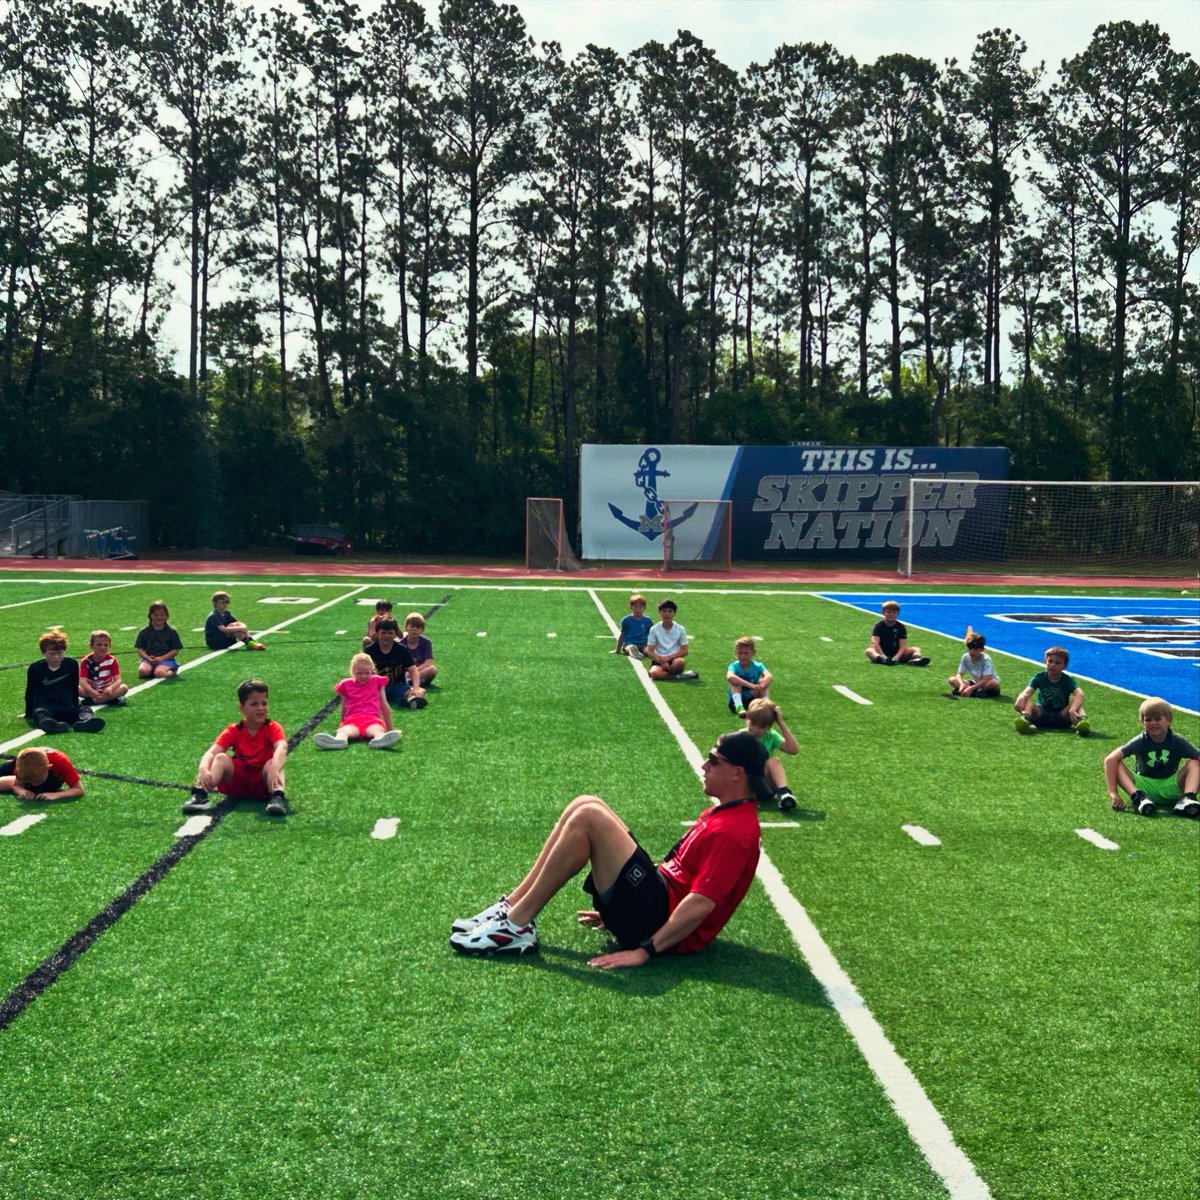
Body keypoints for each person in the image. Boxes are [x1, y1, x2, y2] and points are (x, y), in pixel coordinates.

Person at [449, 729, 771, 964]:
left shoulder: (735, 831)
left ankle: (515, 925)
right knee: (586, 803)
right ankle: (513, 908)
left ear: (737, 773)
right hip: (650, 905)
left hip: (654, 922)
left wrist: (645, 950)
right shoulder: (729, 812)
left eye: (714, 760)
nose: (704, 765)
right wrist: (624, 903)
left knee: (589, 816)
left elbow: (701, 905)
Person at [184, 678, 288, 816]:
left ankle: (277, 798)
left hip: (264, 783)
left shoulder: (272, 727)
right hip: (238, 783)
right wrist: (203, 769)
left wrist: (275, 768)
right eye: (254, 704)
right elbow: (211, 752)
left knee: (274, 763)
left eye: (264, 703)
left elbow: (282, 747)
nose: (261, 708)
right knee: (221, 758)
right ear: (242, 708)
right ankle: (200, 795)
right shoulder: (234, 730)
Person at [1104, 697, 1199, 817]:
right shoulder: (1140, 741)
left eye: (1158, 719)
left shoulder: (1177, 740)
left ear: (1169, 720)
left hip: (1171, 786)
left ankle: (1186, 799)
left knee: (1195, 763)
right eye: (1148, 719)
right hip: (1143, 787)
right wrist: (1113, 793)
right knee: (1115, 762)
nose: (1153, 723)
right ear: (1143, 722)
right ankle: (1138, 798)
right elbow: (1110, 760)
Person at [314, 653, 402, 750]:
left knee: (377, 730)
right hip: (352, 720)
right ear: (352, 672)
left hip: (372, 719)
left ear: (372, 671)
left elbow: (384, 705)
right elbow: (344, 706)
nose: (363, 676)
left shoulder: (377, 681)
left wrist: (390, 729)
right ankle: (339, 741)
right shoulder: (346, 684)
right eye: (359, 673)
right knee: (345, 731)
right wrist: (343, 723)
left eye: (367, 673)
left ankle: (380, 740)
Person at [24, 628, 104, 733]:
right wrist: (29, 712)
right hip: (46, 706)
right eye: (52, 654)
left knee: (85, 710)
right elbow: (30, 691)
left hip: (66, 705)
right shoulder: (35, 668)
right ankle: (51, 725)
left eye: (60, 653)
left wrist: (76, 705)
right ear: (44, 653)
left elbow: (73, 687)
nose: (56, 657)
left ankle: (86, 722)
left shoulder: (71, 664)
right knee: (39, 713)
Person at [1014, 646, 1089, 735]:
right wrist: (1021, 698)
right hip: (1041, 714)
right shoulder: (1039, 677)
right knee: (1028, 703)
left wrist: (1072, 710)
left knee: (1077, 704)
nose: (1053, 665)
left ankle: (1082, 723)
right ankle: (1025, 720)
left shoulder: (1067, 680)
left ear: (1064, 666)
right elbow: (1027, 692)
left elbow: (1079, 693)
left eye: (1057, 663)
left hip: (1061, 716)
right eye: (1050, 661)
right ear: (1045, 661)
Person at [744, 699, 799, 811]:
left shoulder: (771, 736)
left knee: (773, 761)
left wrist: (781, 723)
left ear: (769, 727)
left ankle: (783, 793)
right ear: (747, 719)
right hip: (745, 785)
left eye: (762, 727)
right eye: (754, 724)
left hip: (765, 785)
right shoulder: (740, 736)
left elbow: (793, 750)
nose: (756, 730)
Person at [367, 617, 424, 709]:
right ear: (377, 633)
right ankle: (403, 700)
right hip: (376, 688)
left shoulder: (402, 650)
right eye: (383, 633)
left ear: (395, 634)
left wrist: (416, 688)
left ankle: (410, 700)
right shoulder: (369, 650)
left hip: (397, 687)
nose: (387, 636)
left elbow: (414, 671)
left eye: (390, 633)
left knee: (420, 691)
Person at [0, 746, 85, 801]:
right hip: (13, 765)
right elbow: (16, 785)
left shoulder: (60, 762)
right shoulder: (22, 765)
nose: (34, 784)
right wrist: (22, 791)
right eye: (29, 781)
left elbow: (79, 789)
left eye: (37, 781)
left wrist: (56, 795)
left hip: (52, 778)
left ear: (48, 768)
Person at [864, 600, 929, 666]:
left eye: (894, 612)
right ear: (883, 613)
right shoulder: (878, 626)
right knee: (869, 650)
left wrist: (897, 657)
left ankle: (916, 659)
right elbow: (875, 643)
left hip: (897, 653)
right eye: (888, 612)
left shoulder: (900, 627)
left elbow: (902, 646)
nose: (891, 614)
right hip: (882, 652)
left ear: (898, 613)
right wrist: (883, 655)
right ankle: (883, 659)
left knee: (916, 649)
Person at [646, 599, 697, 681]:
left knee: (680, 663)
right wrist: (661, 661)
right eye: (664, 611)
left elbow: (685, 650)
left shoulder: (680, 629)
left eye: (670, 611)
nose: (667, 614)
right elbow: (650, 650)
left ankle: (667, 675)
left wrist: (668, 658)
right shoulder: (654, 629)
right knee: (654, 673)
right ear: (660, 613)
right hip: (659, 660)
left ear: (674, 613)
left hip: (674, 659)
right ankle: (680, 676)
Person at [78, 630, 129, 709]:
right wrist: (93, 692)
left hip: (107, 690)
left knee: (124, 688)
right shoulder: (85, 661)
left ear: (109, 646)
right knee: (75, 689)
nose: (102, 647)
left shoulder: (112, 660)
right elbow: (82, 681)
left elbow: (118, 680)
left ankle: (94, 701)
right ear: (91, 646)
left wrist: (111, 688)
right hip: (91, 690)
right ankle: (111, 700)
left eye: (105, 645)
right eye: (99, 645)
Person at [135, 600, 183, 679]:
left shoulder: (171, 631)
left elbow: (175, 650)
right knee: (142, 672)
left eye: (162, 615)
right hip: (149, 659)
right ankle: (152, 669)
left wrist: (161, 658)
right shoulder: (144, 631)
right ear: (150, 615)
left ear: (167, 616)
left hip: (166, 660)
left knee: (159, 673)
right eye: (156, 615)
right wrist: (148, 658)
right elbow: (139, 649)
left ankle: (172, 671)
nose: (159, 617)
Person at [726, 636, 772, 715]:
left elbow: (769, 676)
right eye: (740, 653)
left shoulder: (758, 666)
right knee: (736, 684)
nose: (743, 656)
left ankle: (766, 704)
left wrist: (762, 685)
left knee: (762, 681)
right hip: (735, 702)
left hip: (752, 701)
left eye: (746, 653)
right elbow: (730, 677)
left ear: (753, 653)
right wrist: (750, 685)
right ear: (735, 653)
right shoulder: (734, 666)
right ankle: (739, 708)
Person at [947, 633, 1000, 698]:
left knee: (993, 684)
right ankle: (975, 692)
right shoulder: (965, 657)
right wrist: (961, 684)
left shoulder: (986, 659)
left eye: (975, 649)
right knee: (952, 679)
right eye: (970, 649)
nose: (972, 651)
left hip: (986, 684)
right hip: (976, 682)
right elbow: (959, 674)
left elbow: (986, 679)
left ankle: (975, 691)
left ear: (982, 649)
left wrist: (971, 688)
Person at [400, 612, 438, 687]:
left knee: (432, 669)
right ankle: (413, 682)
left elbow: (428, 663)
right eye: (412, 626)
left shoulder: (426, 642)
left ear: (422, 630)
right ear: (406, 627)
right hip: (404, 673)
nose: (415, 629)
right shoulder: (400, 643)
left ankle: (411, 681)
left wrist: (413, 673)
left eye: (418, 627)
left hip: (419, 671)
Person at [614, 594, 652, 658]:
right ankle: (633, 650)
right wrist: (617, 650)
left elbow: (651, 635)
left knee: (648, 651)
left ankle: (639, 652)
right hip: (630, 643)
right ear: (631, 607)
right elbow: (622, 635)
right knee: (629, 648)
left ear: (644, 608)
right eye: (635, 607)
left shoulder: (648, 621)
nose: (637, 609)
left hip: (643, 644)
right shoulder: (626, 620)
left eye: (640, 607)